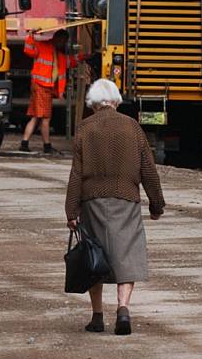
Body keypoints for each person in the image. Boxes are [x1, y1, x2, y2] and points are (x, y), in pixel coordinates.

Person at [64, 78, 165, 336]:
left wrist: (71, 211)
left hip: (92, 202)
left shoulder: (85, 128)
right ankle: (122, 309)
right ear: (117, 101)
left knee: (94, 258)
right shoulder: (132, 127)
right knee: (126, 255)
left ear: (93, 103)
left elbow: (76, 173)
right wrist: (157, 205)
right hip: (126, 199)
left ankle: (97, 316)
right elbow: (148, 171)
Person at [20, 29, 76, 154]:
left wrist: (84, 56)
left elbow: (69, 62)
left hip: (44, 87)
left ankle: (24, 143)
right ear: (59, 39)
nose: (64, 44)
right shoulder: (42, 46)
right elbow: (28, 50)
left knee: (36, 117)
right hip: (42, 87)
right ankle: (47, 145)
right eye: (63, 41)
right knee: (45, 118)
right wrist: (30, 36)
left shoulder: (58, 55)